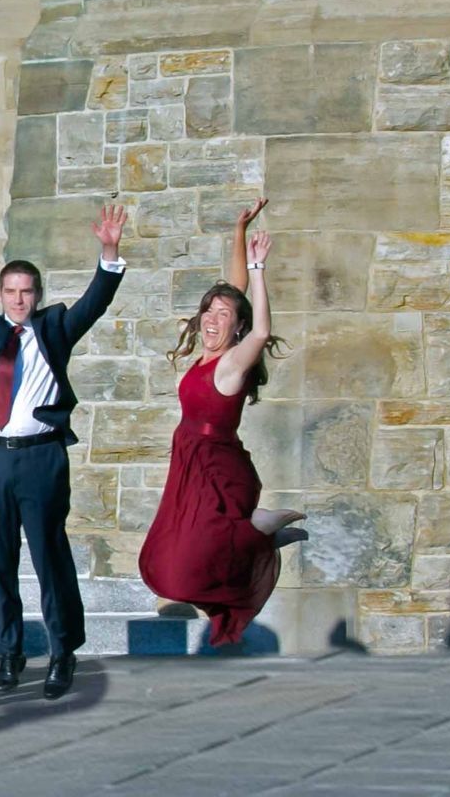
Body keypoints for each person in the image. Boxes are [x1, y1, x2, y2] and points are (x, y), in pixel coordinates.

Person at [0, 196, 127, 701]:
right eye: (11, 292)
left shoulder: (55, 329)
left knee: (48, 555)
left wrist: (108, 255)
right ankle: (11, 651)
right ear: (1, 295)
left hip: (41, 457)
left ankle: (63, 652)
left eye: (27, 292)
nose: (19, 300)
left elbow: (94, 303)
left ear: (38, 294)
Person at [139, 228, 305, 646]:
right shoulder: (207, 355)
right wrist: (238, 232)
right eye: (208, 312)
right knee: (163, 559)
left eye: (223, 316)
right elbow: (234, 289)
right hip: (191, 460)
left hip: (219, 468)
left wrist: (259, 266)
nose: (212, 320)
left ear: (237, 329)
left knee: (193, 556)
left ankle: (262, 531)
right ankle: (254, 534)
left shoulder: (232, 364)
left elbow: (262, 331)